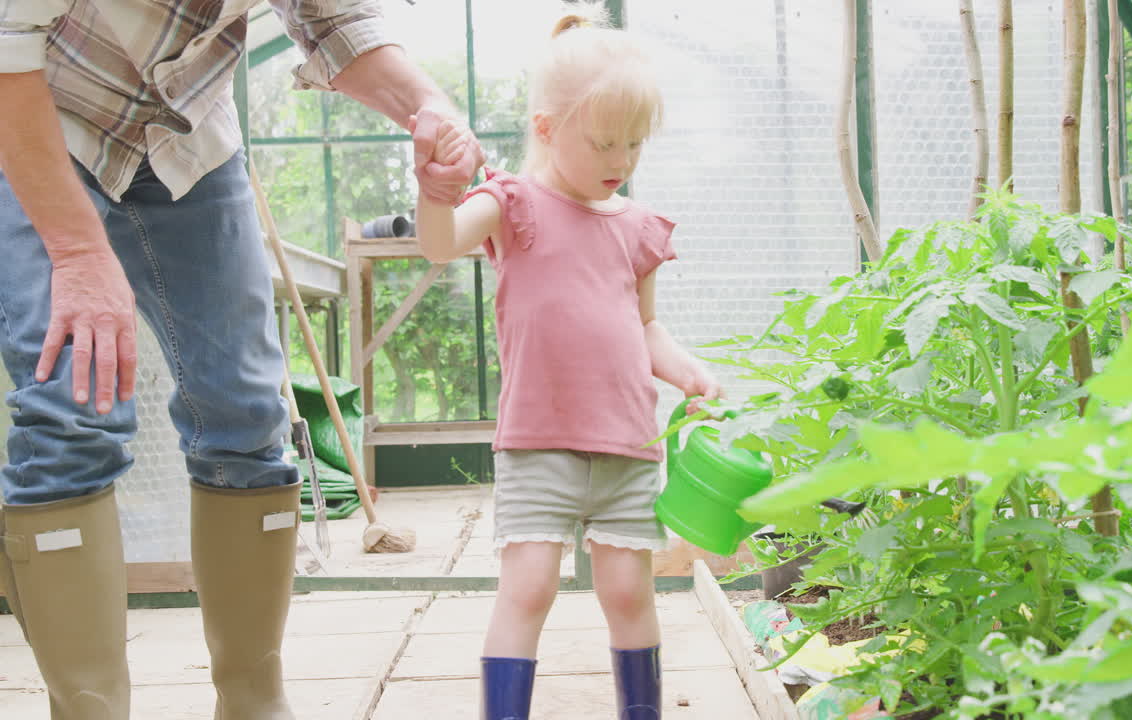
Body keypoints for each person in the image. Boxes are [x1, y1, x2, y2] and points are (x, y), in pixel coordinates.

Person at [0, 2, 481, 718]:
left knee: (249, 411)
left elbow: (332, 21)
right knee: (70, 408)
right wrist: (75, 250)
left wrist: (429, 106)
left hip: (188, 140)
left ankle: (254, 701)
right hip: (38, 118)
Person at [412, 4, 722, 718]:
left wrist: (687, 371)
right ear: (548, 131)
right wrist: (437, 191)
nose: (621, 162)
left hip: (625, 444)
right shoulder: (513, 205)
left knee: (627, 591)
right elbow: (438, 245)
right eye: (606, 142)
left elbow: (644, 327)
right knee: (529, 587)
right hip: (538, 442)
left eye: (635, 146)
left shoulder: (639, 230)